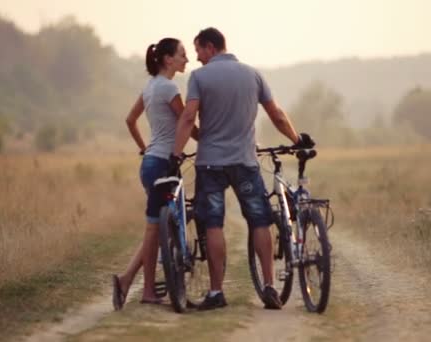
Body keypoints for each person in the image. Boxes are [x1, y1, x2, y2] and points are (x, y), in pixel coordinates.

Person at [169, 27, 314, 311]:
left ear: (210, 47)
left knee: (213, 224)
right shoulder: (253, 74)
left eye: (198, 51)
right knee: (259, 220)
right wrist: (297, 140)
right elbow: (277, 115)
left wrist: (175, 154)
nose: (197, 58)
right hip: (245, 162)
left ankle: (215, 292)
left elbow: (188, 118)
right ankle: (270, 286)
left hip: (210, 164)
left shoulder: (199, 77)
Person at [112, 37, 197, 310]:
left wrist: (143, 148)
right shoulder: (169, 87)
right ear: (167, 59)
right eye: (182, 55)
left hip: (150, 162)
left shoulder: (150, 86)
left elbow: (129, 120)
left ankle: (126, 280)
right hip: (162, 164)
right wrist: (211, 139)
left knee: (155, 228)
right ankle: (146, 289)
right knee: (153, 229)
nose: (187, 59)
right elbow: (187, 122)